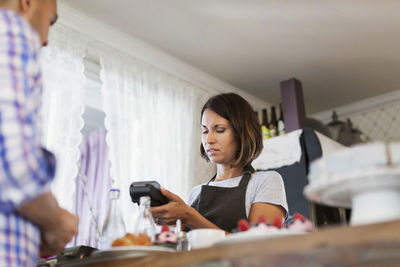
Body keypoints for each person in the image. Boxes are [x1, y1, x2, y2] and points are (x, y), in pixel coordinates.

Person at [0, 0, 78, 266]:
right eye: (51, 21)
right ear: (27, 2)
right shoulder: (10, 31)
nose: (46, 40)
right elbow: (12, 163)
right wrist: (56, 222)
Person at [152, 93, 288, 232]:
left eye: (219, 130)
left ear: (242, 133)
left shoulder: (266, 181)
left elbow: (259, 247)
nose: (209, 139)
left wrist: (190, 216)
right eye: (205, 131)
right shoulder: (195, 193)